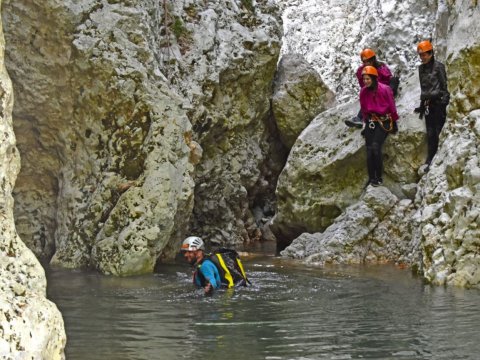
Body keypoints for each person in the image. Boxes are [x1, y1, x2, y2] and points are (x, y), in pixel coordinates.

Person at [359, 66, 399, 186]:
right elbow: (364, 108)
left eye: (368, 79)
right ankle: (372, 178)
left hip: (384, 120)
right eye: (364, 79)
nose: (365, 81)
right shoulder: (363, 92)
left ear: (374, 78)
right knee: (369, 149)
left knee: (376, 147)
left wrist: (394, 121)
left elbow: (392, 106)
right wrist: (365, 124)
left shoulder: (385, 89)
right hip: (371, 120)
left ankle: (379, 176)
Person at [414, 40, 450, 169]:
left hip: (438, 103)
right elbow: (423, 87)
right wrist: (422, 104)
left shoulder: (439, 66)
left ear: (431, 53)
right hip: (428, 104)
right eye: (421, 55)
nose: (422, 57)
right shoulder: (421, 69)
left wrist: (444, 103)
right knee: (430, 133)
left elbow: (444, 85)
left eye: (424, 54)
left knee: (438, 130)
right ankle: (431, 158)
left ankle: (440, 158)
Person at [346, 48, 394, 128]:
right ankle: (360, 119)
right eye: (364, 62)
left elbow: (389, 79)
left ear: (373, 60)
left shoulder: (381, 68)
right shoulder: (361, 70)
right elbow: (363, 84)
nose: (367, 63)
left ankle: (360, 118)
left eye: (368, 61)